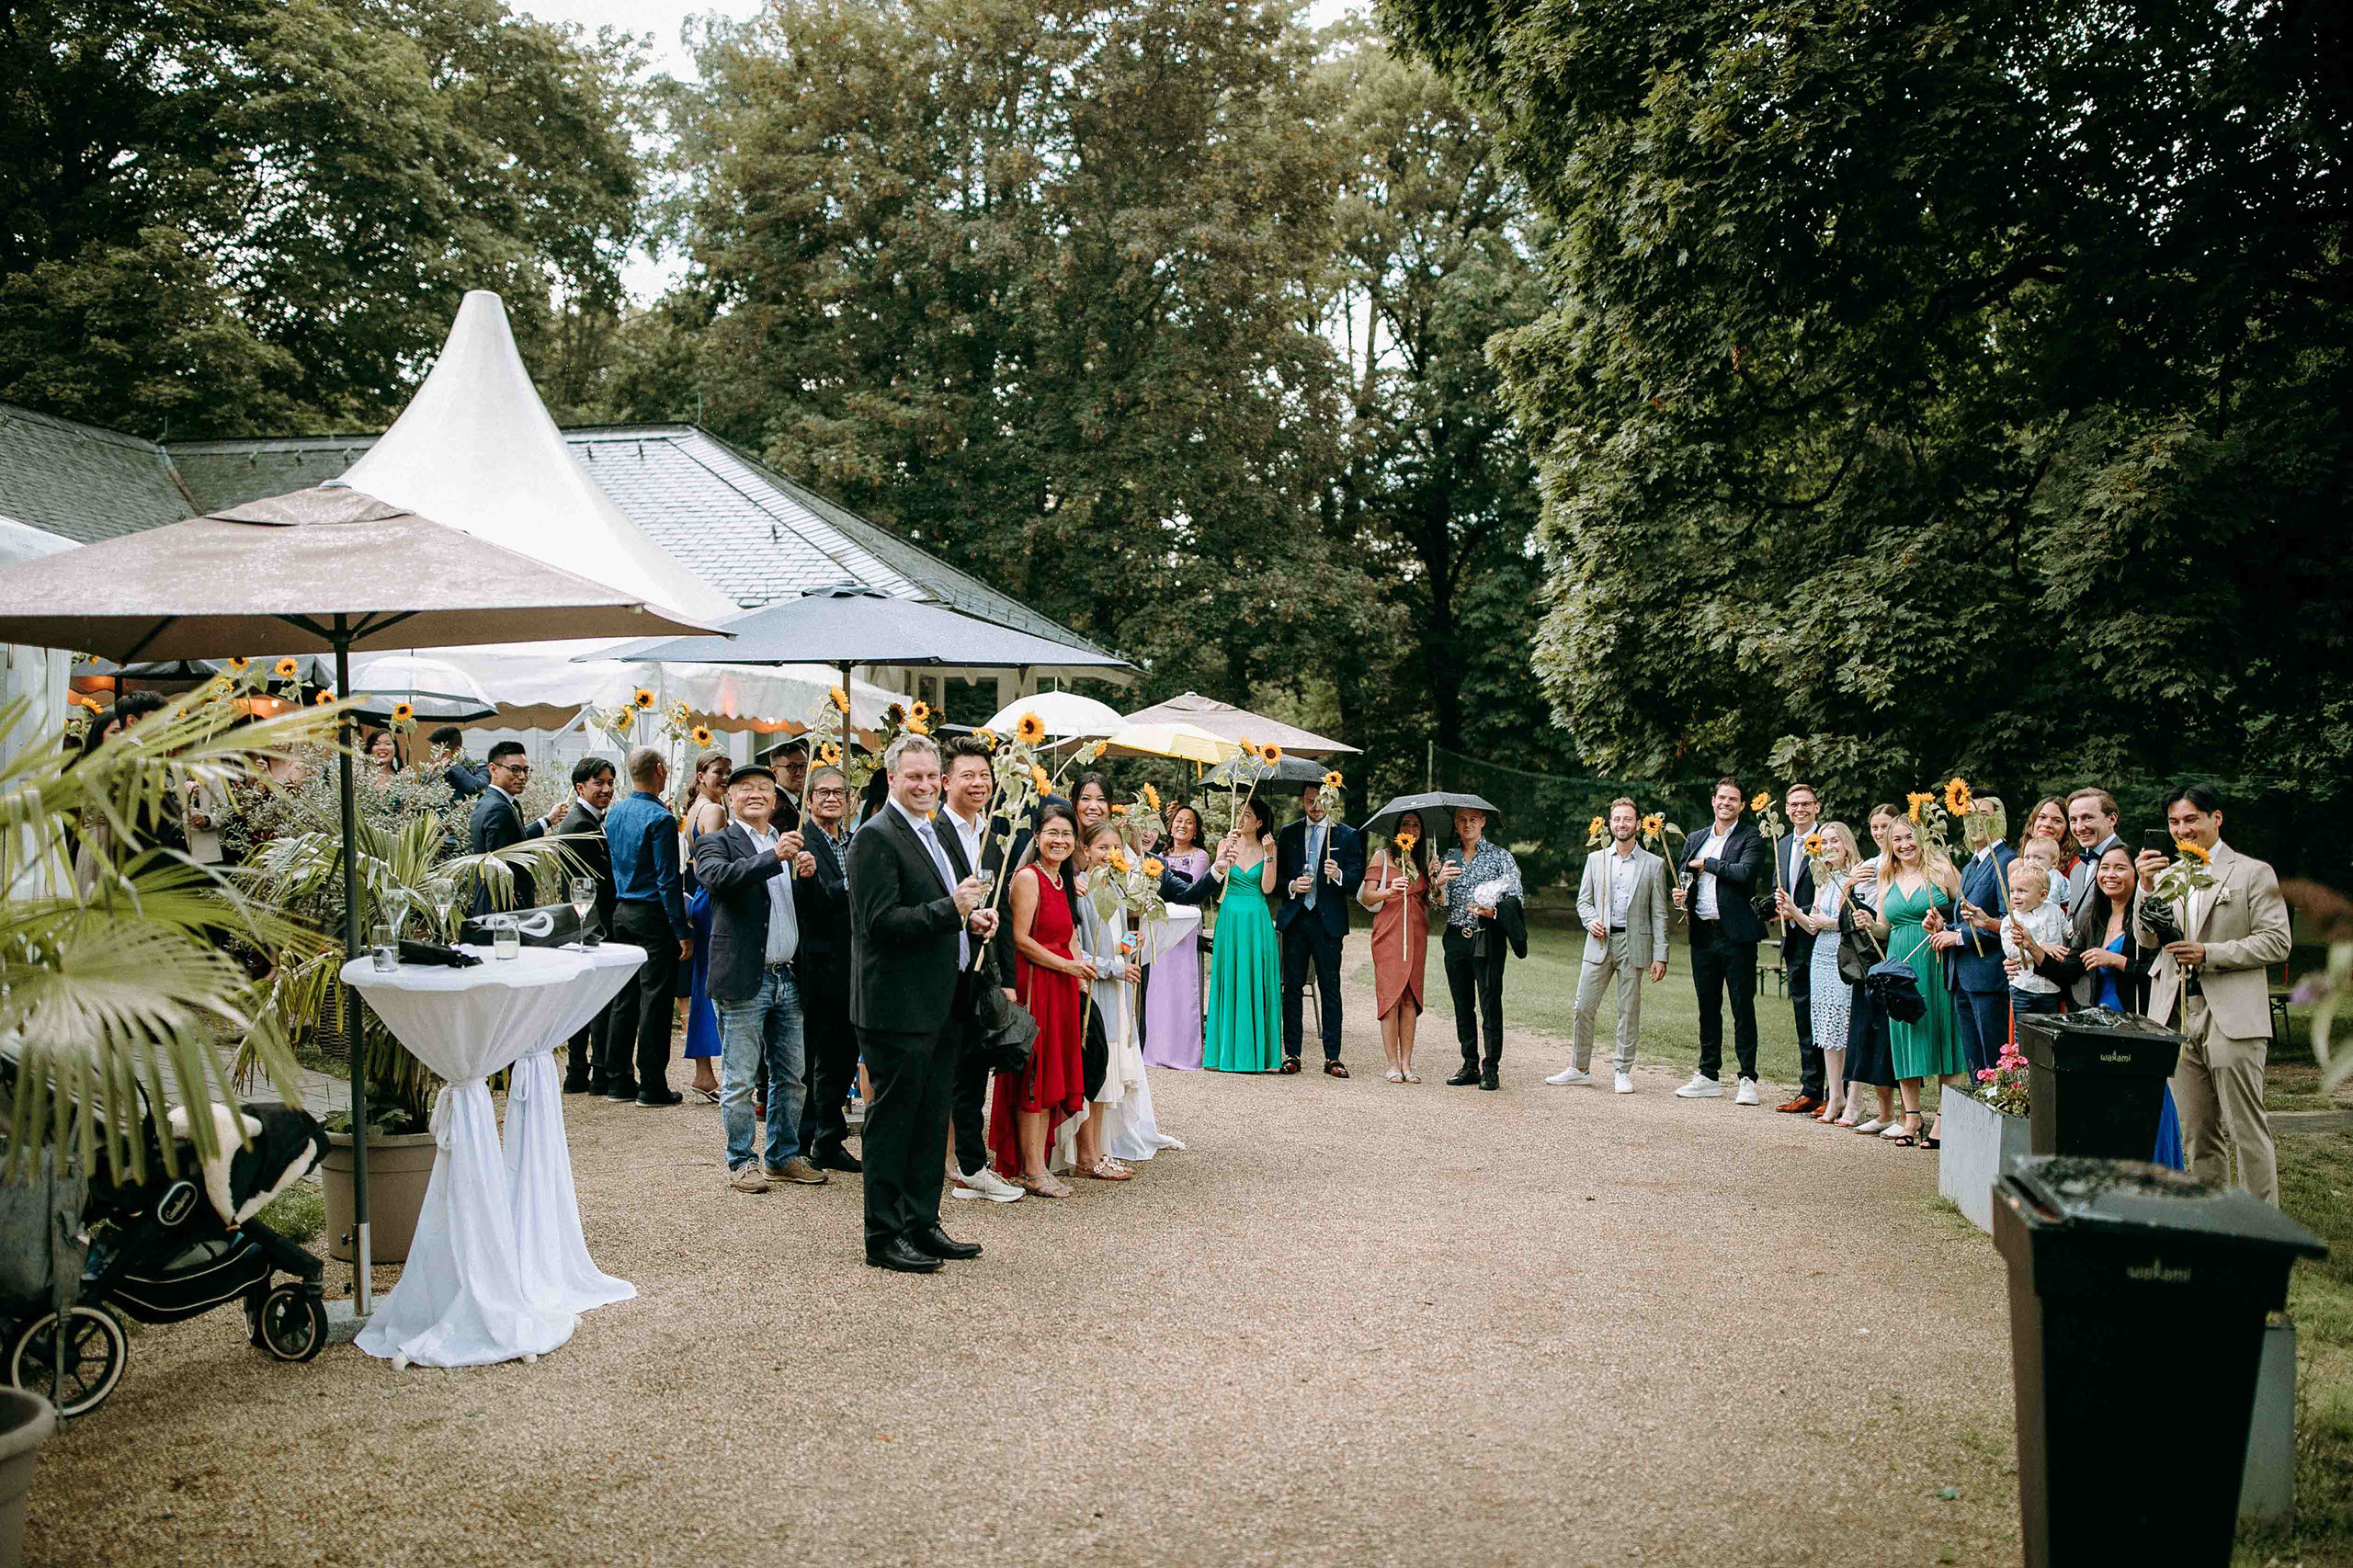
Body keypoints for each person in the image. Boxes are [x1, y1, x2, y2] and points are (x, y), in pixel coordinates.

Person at [845, 732, 998, 1270]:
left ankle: (922, 1222)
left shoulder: (931, 832)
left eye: (933, 776)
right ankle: (883, 1237)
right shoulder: (874, 837)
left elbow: (940, 912)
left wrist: (972, 922)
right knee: (893, 1123)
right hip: (896, 1007)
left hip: (942, 1001)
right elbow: (879, 923)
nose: (926, 785)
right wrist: (949, 909)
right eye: (915, 776)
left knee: (933, 1119)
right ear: (892, 779)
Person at [2133, 783, 2291, 1204]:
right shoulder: (2165, 876)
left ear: (2215, 819)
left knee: (2245, 1128)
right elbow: (2146, 940)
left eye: (2191, 819)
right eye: (2174, 822)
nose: (2182, 830)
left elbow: (2277, 941)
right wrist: (2145, 888)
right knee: (2197, 1132)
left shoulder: (2252, 872)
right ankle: (2212, 1221)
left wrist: (2210, 952)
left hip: (2233, 1016)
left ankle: (2262, 1224)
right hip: (2177, 1015)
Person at [694, 764, 824, 1193]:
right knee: (740, 1078)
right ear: (729, 798)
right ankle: (741, 1160)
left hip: (789, 975)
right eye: (744, 788)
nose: (755, 794)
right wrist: (774, 858)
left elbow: (794, 909)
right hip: (746, 977)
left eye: (764, 789)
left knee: (792, 1075)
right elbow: (718, 880)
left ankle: (783, 1156)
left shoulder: (786, 841)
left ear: (775, 799)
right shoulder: (716, 842)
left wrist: (806, 875)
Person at [2028, 844, 2177, 1166]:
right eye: (2104, 868)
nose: (2110, 875)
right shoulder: (2097, 919)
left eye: (2120, 868)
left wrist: (2116, 960)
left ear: (2137, 874)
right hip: (2100, 1023)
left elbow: (2160, 971)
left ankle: (2157, 1166)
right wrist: (2033, 949)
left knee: (2147, 1101)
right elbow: (2072, 968)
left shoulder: (2147, 918)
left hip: (2135, 1018)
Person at [1060, 818, 1178, 1172]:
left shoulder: (1113, 889)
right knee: (1095, 1076)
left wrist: (1133, 942)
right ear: (1085, 851)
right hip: (1096, 995)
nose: (1110, 855)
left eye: (1115, 849)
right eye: (1101, 848)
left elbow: (1114, 944)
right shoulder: (1080, 891)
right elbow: (1078, 951)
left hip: (1117, 997)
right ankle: (1087, 1156)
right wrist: (1116, 969)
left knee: (1106, 1082)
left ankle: (1096, 1151)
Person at [938, 737, 1026, 1204]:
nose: (978, 783)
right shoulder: (932, 832)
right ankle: (938, 1161)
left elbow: (1004, 912)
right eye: (967, 775)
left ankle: (971, 1165)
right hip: (936, 970)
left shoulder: (996, 834)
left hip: (981, 973)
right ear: (946, 781)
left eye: (984, 775)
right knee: (936, 1069)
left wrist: (1007, 979)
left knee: (973, 1069)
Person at [993, 800, 1088, 1197]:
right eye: (1053, 833)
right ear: (1037, 836)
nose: (1060, 840)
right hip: (1036, 986)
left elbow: (1067, 934)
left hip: (1062, 988)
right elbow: (1019, 938)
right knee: (1034, 1075)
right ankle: (1031, 1169)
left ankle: (1039, 1163)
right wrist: (1066, 967)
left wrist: (1080, 971)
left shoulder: (1061, 880)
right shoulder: (1029, 877)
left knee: (1054, 1074)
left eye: (1067, 834)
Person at [1549, 799, 1667, 1093]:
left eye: (1628, 819)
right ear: (1610, 823)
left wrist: (1660, 955)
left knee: (1628, 1009)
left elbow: (1659, 913)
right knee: (1582, 1006)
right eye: (1617, 819)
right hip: (1599, 942)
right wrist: (1590, 921)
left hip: (1635, 943)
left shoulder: (1654, 865)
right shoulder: (1596, 859)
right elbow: (1583, 902)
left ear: (1638, 825)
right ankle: (1579, 1068)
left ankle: (1622, 1071)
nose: (1622, 824)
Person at [602, 746, 695, 1107]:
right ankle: (652, 1082)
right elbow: (668, 879)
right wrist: (680, 930)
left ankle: (617, 1078)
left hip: (622, 910)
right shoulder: (660, 818)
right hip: (653, 914)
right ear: (660, 770)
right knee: (655, 1000)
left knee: (626, 997)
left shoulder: (615, 813)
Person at [1869, 815, 1967, 1147]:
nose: (1905, 844)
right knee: (1906, 1033)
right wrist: (1869, 924)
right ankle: (1911, 1116)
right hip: (1900, 962)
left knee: (1942, 1031)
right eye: (1897, 839)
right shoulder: (1887, 875)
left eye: (1910, 837)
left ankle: (1944, 1115)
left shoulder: (1942, 869)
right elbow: (1884, 926)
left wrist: (1944, 921)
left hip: (1936, 957)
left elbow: (1965, 911)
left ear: (1923, 837)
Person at [1671, 778, 1768, 1104]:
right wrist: (1682, 895)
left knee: (1742, 1006)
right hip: (1703, 934)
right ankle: (1708, 1073)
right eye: (1721, 798)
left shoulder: (1751, 836)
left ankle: (1747, 1078)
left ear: (1742, 805)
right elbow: (1686, 874)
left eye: (1734, 799)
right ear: (1713, 801)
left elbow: (1744, 873)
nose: (1726, 803)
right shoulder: (1697, 838)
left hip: (1736, 935)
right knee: (1707, 1007)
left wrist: (1708, 864)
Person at [790, 764, 864, 1173]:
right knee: (811, 1056)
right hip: (817, 963)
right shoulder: (804, 843)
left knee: (843, 1054)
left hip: (853, 963)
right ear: (811, 799)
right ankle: (800, 1142)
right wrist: (849, 886)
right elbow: (810, 902)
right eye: (824, 793)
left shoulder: (854, 842)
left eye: (839, 792)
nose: (832, 799)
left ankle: (830, 1141)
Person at [1275, 780, 1363, 1076]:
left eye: (1320, 801)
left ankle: (1333, 1057)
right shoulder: (1288, 834)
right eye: (1310, 801)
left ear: (1330, 802)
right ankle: (1292, 1054)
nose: (1315, 807)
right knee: (1292, 988)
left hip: (1328, 922)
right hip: (1297, 919)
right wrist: (1291, 885)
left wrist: (1337, 874)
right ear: (1303, 801)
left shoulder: (1346, 835)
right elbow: (1274, 880)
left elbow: (1356, 879)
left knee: (1330, 988)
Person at [1436, 804, 1522, 1090]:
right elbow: (1437, 904)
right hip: (1456, 936)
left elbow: (1516, 897)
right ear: (1456, 825)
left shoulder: (1500, 857)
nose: (1468, 824)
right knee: (1462, 1004)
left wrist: (1494, 910)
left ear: (1483, 822)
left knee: (1489, 1002)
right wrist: (1438, 884)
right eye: (1461, 820)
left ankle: (1491, 1068)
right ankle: (1469, 1064)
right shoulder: (1446, 858)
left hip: (1488, 937)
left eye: (1473, 819)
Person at [1780, 822, 1860, 1125]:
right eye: (1823, 842)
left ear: (1846, 844)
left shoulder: (1855, 876)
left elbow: (1843, 922)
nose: (1828, 847)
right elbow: (1813, 924)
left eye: (1834, 841)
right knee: (1826, 1029)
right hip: (1821, 957)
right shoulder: (1822, 878)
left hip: (1845, 957)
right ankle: (1835, 1095)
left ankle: (1853, 1097)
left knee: (1847, 1026)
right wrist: (1792, 909)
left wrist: (1823, 921)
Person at [1203, 795, 1282, 1073]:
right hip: (1231, 916)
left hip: (1256, 917)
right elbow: (1217, 879)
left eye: (1247, 815)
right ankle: (1225, 1053)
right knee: (1231, 977)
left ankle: (1257, 1055)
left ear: (1259, 822)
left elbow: (1269, 888)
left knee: (1255, 979)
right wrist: (1225, 858)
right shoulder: (1226, 844)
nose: (1241, 818)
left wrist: (1270, 855)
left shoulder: (1267, 847)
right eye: (1240, 813)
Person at [1945, 797, 2019, 1077]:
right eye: (1969, 816)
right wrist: (1945, 928)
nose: (1975, 822)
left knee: (1993, 1061)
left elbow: (2008, 921)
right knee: (1974, 1063)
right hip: (1962, 976)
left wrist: (1959, 938)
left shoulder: (2007, 861)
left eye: (1984, 815)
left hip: (1989, 976)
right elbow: (1963, 919)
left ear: (1999, 820)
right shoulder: (1968, 867)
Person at [1362, 809, 1438, 1084]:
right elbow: (1367, 897)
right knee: (1391, 997)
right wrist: (1390, 890)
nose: (1411, 828)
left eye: (1416, 825)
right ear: (1397, 829)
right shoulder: (1382, 857)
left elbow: (1433, 901)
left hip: (1416, 933)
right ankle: (1392, 1063)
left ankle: (1407, 1063)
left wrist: (1436, 880)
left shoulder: (1424, 863)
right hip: (1389, 933)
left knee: (1410, 997)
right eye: (1406, 823)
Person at [1839, 804, 1903, 1133]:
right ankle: (1884, 1111)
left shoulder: (1902, 864)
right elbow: (1843, 910)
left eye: (1885, 826)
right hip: (1867, 957)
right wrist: (1850, 883)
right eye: (1875, 827)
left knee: (1894, 1034)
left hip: (1895, 950)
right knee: (1870, 1033)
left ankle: (1907, 1113)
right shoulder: (1866, 865)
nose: (1880, 833)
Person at [558, 756, 619, 1095]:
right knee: (596, 1000)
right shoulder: (580, 823)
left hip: (591, 919)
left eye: (610, 783)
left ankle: (580, 1071)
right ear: (580, 787)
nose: (607, 789)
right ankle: (593, 1072)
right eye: (599, 783)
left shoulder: (590, 819)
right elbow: (601, 880)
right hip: (592, 921)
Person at [679, 751, 734, 1103]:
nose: (725, 778)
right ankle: (712, 1071)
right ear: (701, 775)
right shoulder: (714, 810)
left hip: (700, 900)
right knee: (717, 983)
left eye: (729, 772)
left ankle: (704, 1072)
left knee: (703, 983)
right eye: (719, 772)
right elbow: (712, 864)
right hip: (713, 900)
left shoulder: (693, 810)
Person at [1142, 802, 1211, 1070]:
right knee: (1158, 985)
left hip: (1184, 924)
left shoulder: (1200, 855)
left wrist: (1163, 878)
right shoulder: (1158, 854)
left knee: (1182, 985)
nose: (1182, 825)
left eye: (1189, 822)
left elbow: (1191, 885)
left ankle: (1183, 1048)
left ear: (1195, 830)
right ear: (1170, 825)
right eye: (1178, 820)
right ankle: (1157, 1044)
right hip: (1159, 922)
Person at [466, 741, 566, 916]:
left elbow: (514, 841)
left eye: (525, 770)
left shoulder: (490, 802)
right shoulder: (499, 808)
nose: (522, 776)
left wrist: (548, 820)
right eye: (515, 769)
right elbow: (503, 865)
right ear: (493, 769)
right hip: (503, 907)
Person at [1771, 783, 1824, 1112]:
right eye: (1793, 805)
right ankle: (1811, 1088)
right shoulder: (1783, 844)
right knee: (1803, 1015)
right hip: (1793, 940)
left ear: (1817, 807)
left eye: (1806, 803)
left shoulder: (1827, 840)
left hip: (1821, 937)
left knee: (1828, 1015)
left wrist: (1799, 910)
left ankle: (1836, 1091)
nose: (1799, 809)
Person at [1999, 858, 2071, 1033]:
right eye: (2012, 891)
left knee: (2050, 1033)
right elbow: (2011, 952)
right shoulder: (2011, 920)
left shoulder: (2054, 911)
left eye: (2022, 891)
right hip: (2023, 986)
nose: (2015, 896)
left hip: (2051, 988)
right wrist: (2041, 948)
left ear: (2042, 895)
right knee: (2023, 1034)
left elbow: (2068, 934)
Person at [2064, 788, 2124, 910]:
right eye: (2073, 820)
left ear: (2112, 819)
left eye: (2087, 818)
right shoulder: (2077, 869)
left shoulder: (2129, 860)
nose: (2079, 828)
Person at [2019, 833, 2070, 918]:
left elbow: (2051, 900)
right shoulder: (2024, 875)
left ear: (2053, 863)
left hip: (2052, 916)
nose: (2031, 862)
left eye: (2038, 858)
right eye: (2027, 857)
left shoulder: (2052, 877)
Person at [427, 725, 486, 798]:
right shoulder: (434, 770)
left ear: (456, 751)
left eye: (442, 753)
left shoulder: (481, 767)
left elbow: (476, 787)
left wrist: (452, 765)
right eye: (434, 752)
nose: (436, 757)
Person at [770, 738, 809, 831]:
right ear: (774, 772)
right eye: (791, 767)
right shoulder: (781, 810)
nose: (799, 773)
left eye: (803, 766)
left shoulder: (790, 803)